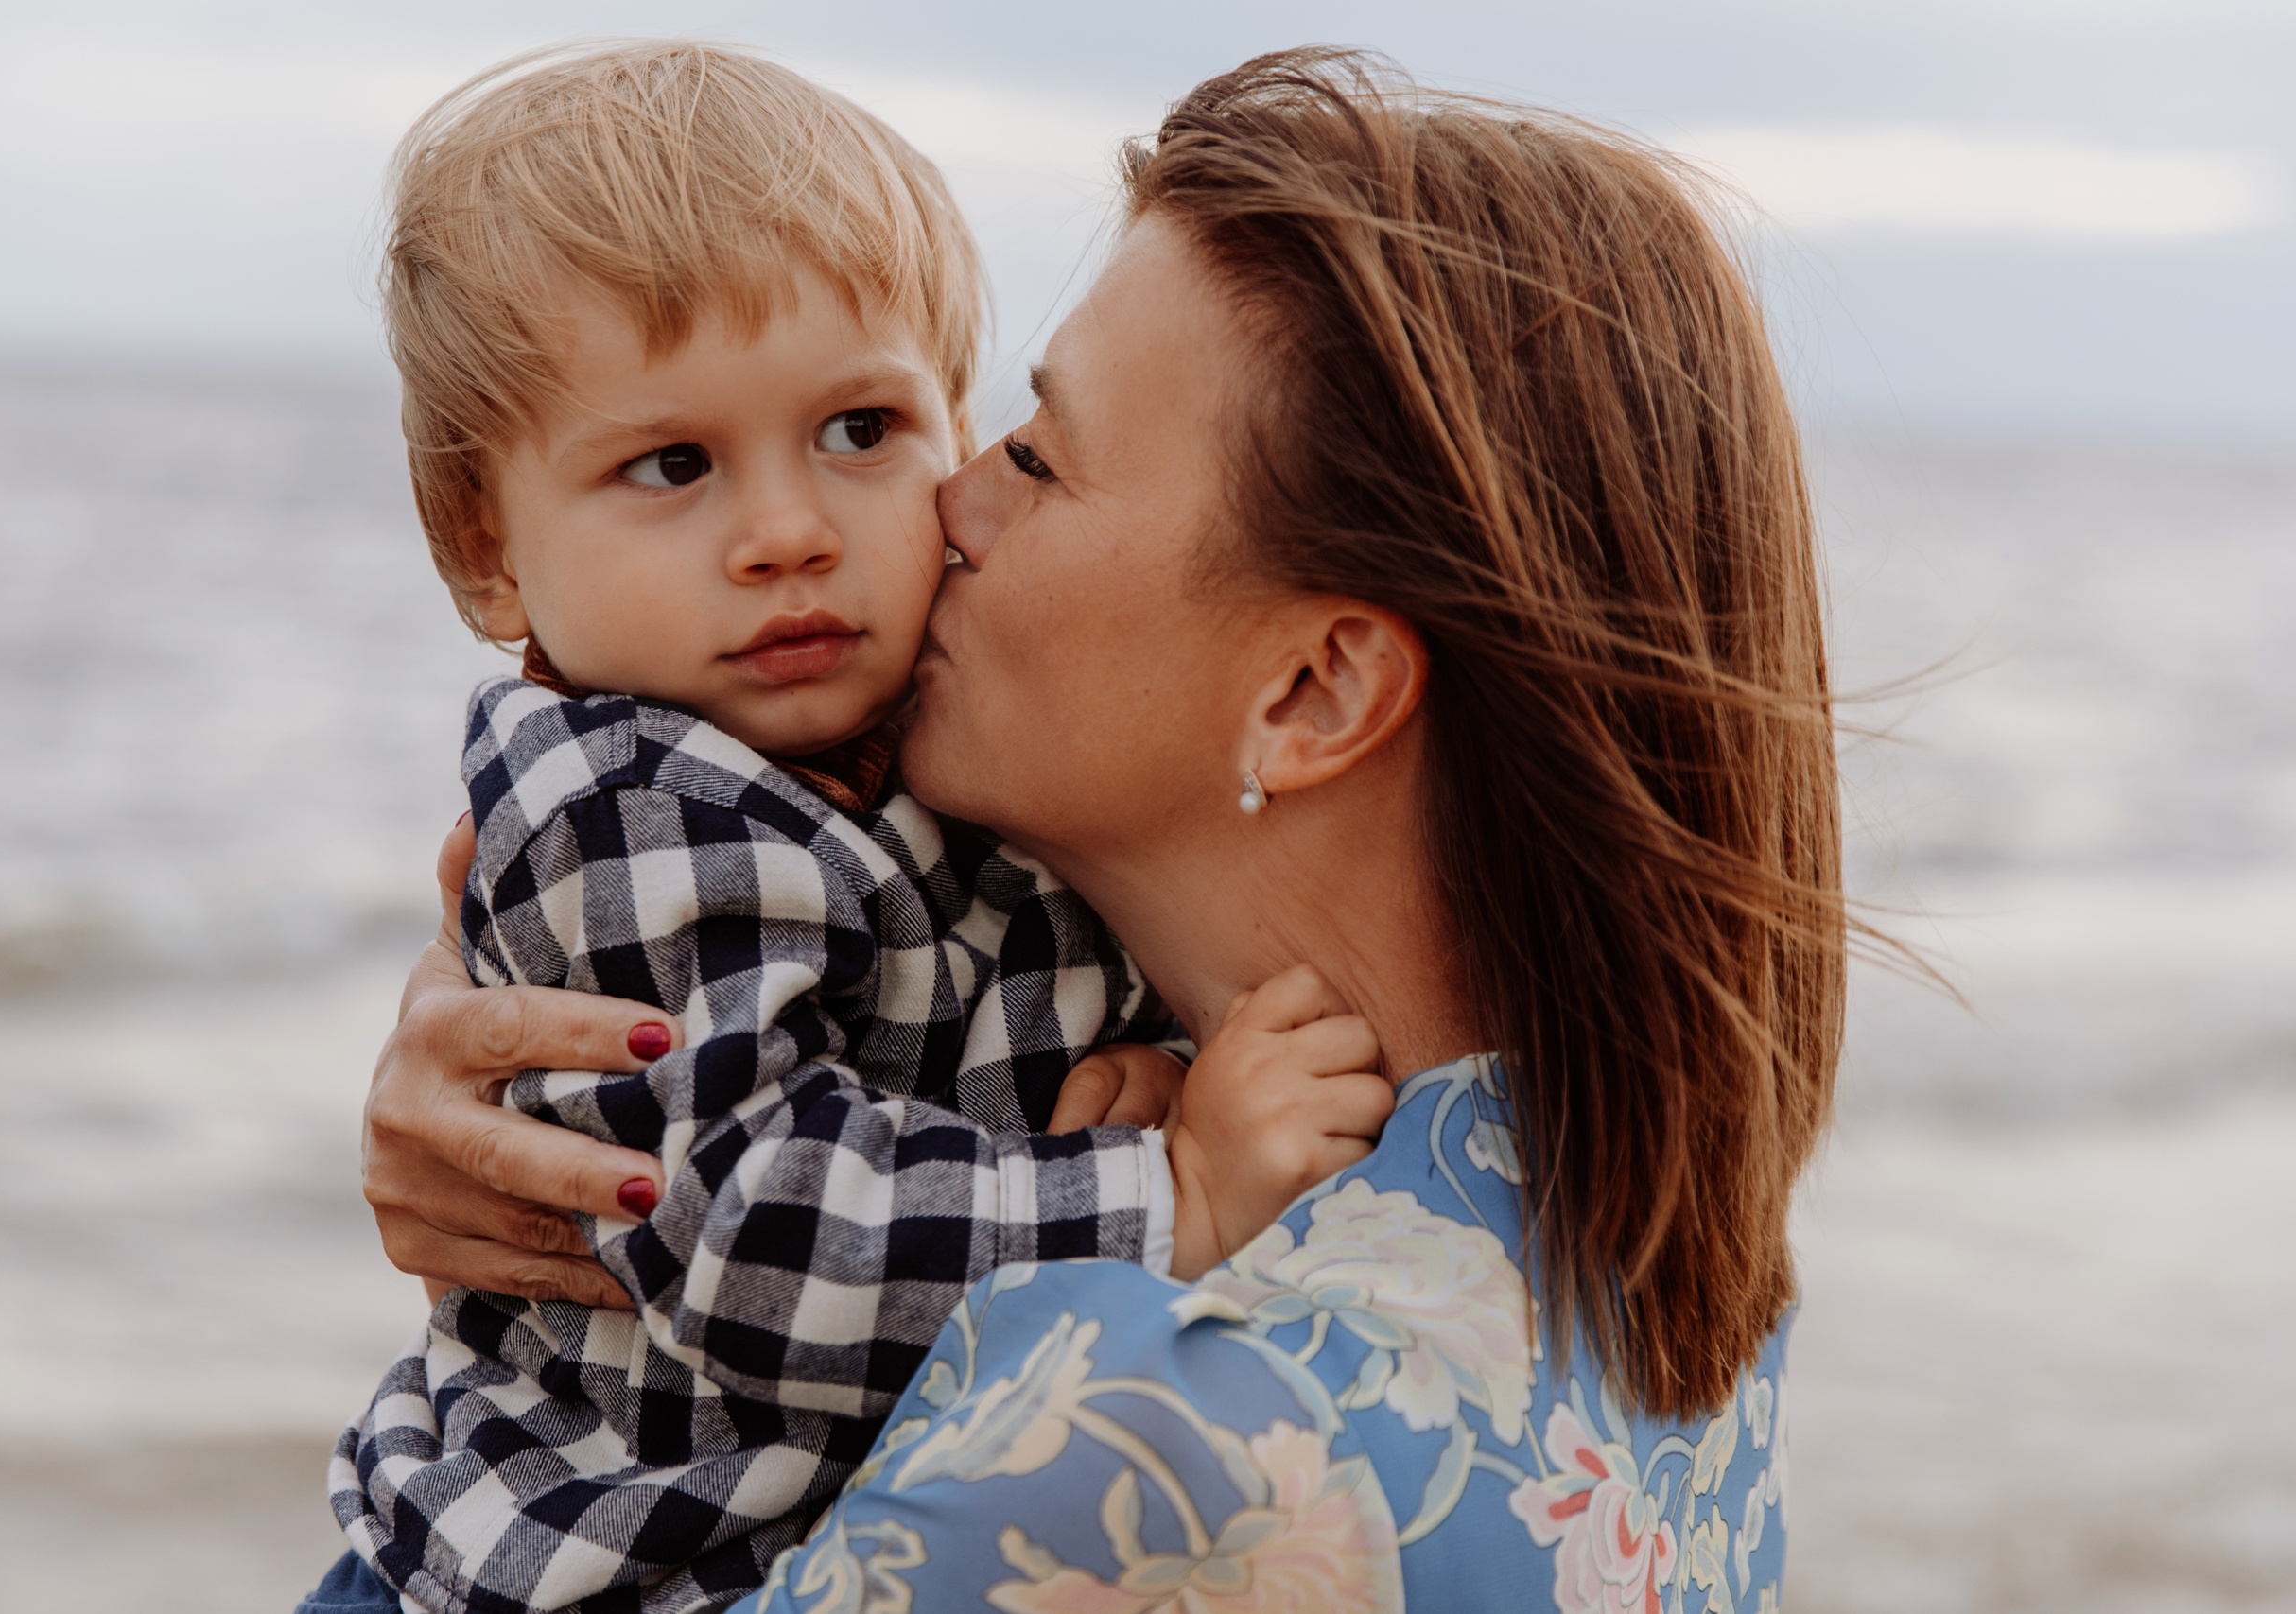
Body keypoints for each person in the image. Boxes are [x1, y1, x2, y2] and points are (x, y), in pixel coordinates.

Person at [332, 44, 1850, 1614]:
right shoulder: (1658, 1275)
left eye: (1036, 455)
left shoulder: (1131, 1457)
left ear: (1314, 691)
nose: (941, 507)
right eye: (676, 464)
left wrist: (1169, 1187)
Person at [315, 43, 1388, 1614]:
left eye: (862, 431)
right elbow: (757, 1236)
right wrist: (1172, 1194)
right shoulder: (636, 803)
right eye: (671, 464)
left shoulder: (921, 750)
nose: (790, 532)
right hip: (561, 1583)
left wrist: (1143, 1059)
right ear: (484, 551)